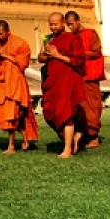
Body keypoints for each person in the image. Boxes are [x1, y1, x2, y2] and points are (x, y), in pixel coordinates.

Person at [37, 12, 87, 158]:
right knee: (49, 112)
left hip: (67, 80)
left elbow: (78, 61)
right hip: (52, 80)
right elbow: (41, 58)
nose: (53, 27)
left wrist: (57, 55)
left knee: (65, 112)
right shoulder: (49, 39)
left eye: (56, 24)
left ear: (63, 22)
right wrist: (47, 54)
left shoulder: (72, 38)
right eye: (51, 24)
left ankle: (67, 150)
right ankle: (74, 137)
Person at [0, 19, 37, 153]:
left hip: (14, 85)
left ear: (8, 32)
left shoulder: (20, 43)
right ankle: (25, 138)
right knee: (2, 114)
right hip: (1, 85)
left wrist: (7, 56)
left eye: (1, 34)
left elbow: (23, 64)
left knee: (12, 115)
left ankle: (11, 146)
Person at [64, 10, 104, 150]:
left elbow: (96, 51)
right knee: (78, 108)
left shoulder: (90, 33)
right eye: (68, 25)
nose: (70, 27)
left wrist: (80, 54)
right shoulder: (69, 37)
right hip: (76, 77)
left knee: (92, 107)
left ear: (78, 21)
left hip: (90, 76)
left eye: (71, 24)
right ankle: (80, 134)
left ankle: (94, 136)